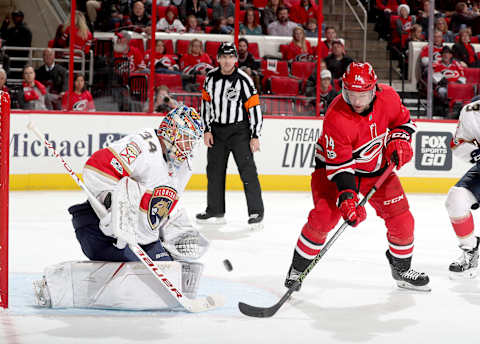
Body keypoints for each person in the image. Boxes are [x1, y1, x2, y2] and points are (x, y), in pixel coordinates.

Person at [33, 106, 209, 310]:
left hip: (141, 239)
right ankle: (57, 286)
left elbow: (161, 209)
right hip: (99, 228)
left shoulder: (183, 168)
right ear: (170, 131)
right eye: (185, 139)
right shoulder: (143, 145)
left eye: (191, 143)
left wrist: (174, 231)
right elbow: (96, 168)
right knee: (138, 278)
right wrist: (113, 208)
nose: (188, 149)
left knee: (172, 274)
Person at [284, 62, 430, 292]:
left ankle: (401, 269)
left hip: (376, 169)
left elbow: (402, 122)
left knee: (402, 220)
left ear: (374, 90)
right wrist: (348, 199)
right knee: (324, 217)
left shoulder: (389, 98)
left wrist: (399, 141)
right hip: (334, 171)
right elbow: (341, 167)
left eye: (362, 94)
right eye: (351, 94)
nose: (357, 101)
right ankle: (297, 269)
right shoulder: (335, 116)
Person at [196, 43, 264, 229]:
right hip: (216, 131)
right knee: (214, 171)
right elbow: (206, 105)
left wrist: (255, 134)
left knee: (247, 171)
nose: (227, 61)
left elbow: (255, 108)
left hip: (239, 131)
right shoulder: (210, 78)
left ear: (236, 59)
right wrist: (206, 130)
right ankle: (215, 209)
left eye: (230, 57)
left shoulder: (244, 79)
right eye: (223, 57)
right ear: (218, 58)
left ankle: (256, 211)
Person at [445, 97, 480, 279]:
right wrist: (476, 153)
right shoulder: (472, 111)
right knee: (456, 199)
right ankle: (470, 250)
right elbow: (458, 144)